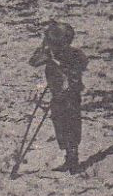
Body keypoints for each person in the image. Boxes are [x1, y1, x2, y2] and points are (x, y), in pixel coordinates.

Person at [29, 21, 88, 173]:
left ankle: (73, 161)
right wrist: (44, 46)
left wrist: (54, 61)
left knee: (71, 126)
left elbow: (77, 68)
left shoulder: (75, 54)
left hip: (70, 96)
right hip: (57, 96)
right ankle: (69, 159)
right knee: (60, 126)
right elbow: (33, 62)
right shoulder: (51, 54)